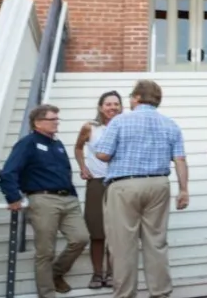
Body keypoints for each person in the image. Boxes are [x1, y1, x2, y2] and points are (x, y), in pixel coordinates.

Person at [93, 80, 189, 298]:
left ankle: (125, 294)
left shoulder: (119, 121)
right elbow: (180, 160)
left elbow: (103, 154)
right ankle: (161, 293)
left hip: (124, 185)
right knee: (156, 242)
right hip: (158, 184)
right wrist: (184, 190)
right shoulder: (170, 124)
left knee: (122, 245)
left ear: (136, 98)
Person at [0, 104, 90, 297]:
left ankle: (55, 273)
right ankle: (47, 293)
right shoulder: (28, 143)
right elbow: (8, 172)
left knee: (81, 238)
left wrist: (72, 194)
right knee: (45, 252)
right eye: (52, 119)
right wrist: (13, 197)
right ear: (38, 123)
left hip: (69, 200)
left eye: (57, 118)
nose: (57, 122)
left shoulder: (57, 144)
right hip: (43, 199)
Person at [74, 90, 122, 289]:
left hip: (118, 183)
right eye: (108, 104)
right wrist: (83, 167)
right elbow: (78, 148)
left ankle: (112, 273)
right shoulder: (90, 128)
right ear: (101, 107)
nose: (112, 107)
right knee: (97, 231)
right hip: (96, 183)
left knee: (115, 231)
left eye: (116, 104)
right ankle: (97, 274)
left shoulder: (125, 126)